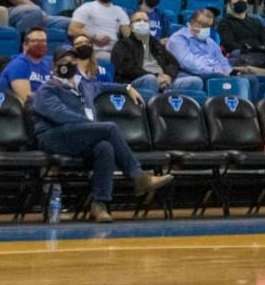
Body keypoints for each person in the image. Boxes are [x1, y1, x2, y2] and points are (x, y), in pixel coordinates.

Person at [30, 45, 174, 221]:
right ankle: (138, 176)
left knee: (104, 147)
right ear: (54, 66)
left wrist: (128, 88)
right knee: (109, 128)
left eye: (73, 61)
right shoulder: (47, 89)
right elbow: (60, 115)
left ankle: (99, 205)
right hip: (53, 136)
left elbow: (106, 86)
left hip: (79, 136)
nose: (69, 64)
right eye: (64, 62)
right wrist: (92, 126)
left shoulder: (84, 86)